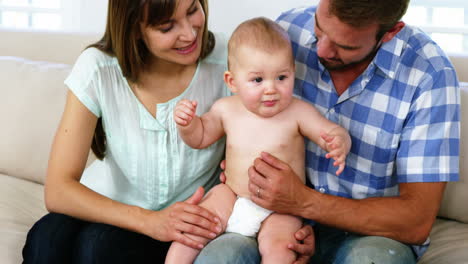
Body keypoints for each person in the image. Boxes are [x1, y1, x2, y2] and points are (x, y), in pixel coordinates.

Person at [20, 1, 315, 263]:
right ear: (135, 29)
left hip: (183, 223)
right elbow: (58, 191)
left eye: (192, 11)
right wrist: (150, 221)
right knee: (47, 236)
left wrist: (291, 227)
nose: (189, 34)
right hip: (110, 208)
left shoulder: (235, 59)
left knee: (97, 247)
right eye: (167, 26)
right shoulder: (99, 68)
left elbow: (280, 126)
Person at [197, 0, 460, 263]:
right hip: (275, 219)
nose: (320, 50)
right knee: (220, 256)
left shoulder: (430, 75)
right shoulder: (289, 30)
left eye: (345, 46)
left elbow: (416, 221)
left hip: (368, 234)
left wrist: (302, 202)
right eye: (319, 30)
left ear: (390, 32)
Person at [166, 17, 351, 264]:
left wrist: (339, 142)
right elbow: (199, 137)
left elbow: (329, 131)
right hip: (231, 195)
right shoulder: (225, 110)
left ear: (293, 73)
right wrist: (187, 124)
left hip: (281, 207)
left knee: (281, 249)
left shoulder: (298, 112)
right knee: (193, 228)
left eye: (282, 78)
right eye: (257, 80)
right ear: (232, 82)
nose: (271, 89)